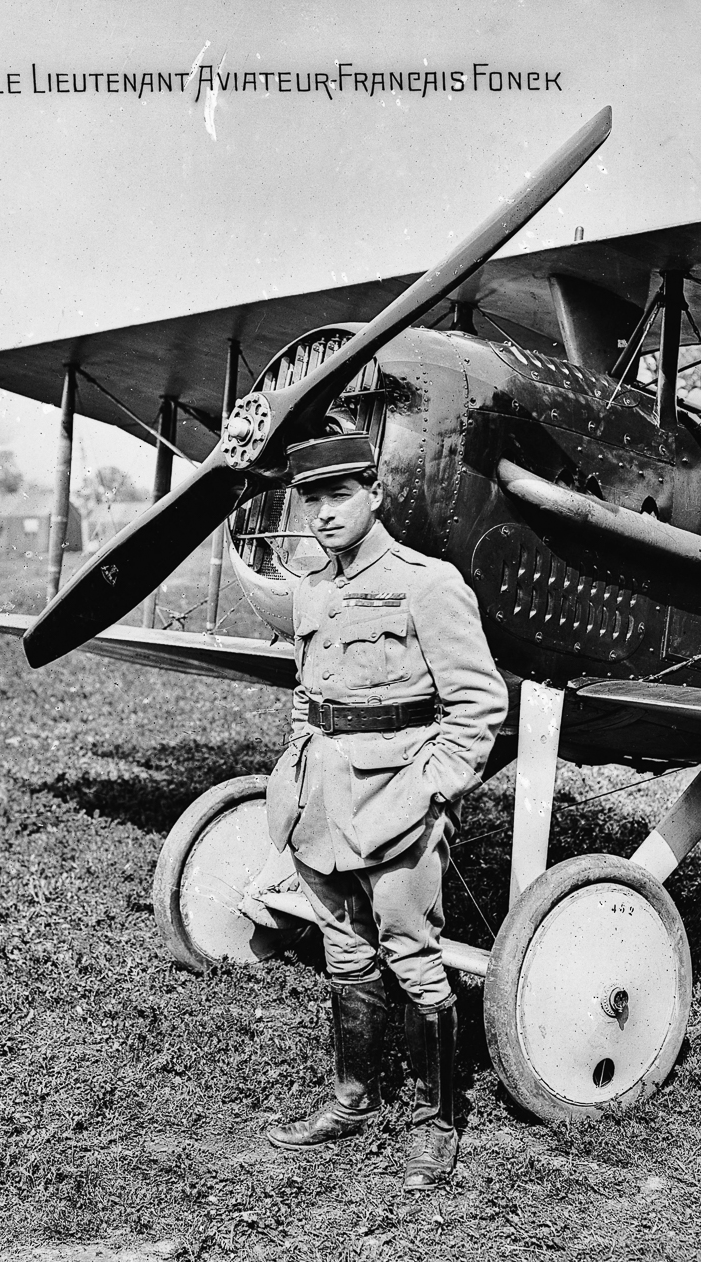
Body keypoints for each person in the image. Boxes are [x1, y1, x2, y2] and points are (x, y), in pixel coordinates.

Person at [264, 431, 508, 1190]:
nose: (325, 513)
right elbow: (309, 694)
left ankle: (438, 1125)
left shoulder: (427, 583)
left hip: (397, 801)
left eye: (340, 495)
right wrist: (298, 764)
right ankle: (352, 1099)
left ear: (375, 493)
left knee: (412, 953)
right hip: (322, 801)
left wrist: (431, 788)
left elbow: (478, 705)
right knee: (343, 948)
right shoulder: (312, 586)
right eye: (312, 499)